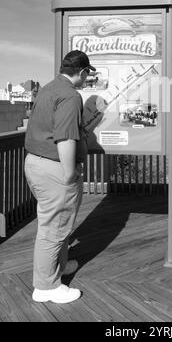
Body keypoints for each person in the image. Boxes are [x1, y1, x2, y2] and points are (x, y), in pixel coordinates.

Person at [24, 50, 96, 304]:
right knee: (54, 228)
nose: (88, 79)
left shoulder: (49, 89)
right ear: (82, 72)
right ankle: (46, 287)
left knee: (57, 225)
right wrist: (70, 173)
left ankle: (58, 269)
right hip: (55, 168)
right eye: (88, 74)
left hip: (35, 163)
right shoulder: (71, 95)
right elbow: (65, 137)